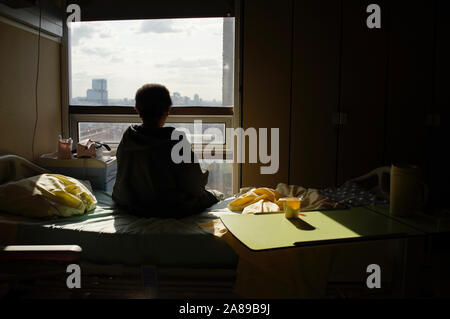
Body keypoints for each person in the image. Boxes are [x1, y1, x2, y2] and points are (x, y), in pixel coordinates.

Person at [112, 84, 219, 218]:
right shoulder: (176, 141)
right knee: (212, 196)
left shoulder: (128, 137)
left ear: (137, 109)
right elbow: (196, 187)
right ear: (167, 111)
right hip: (169, 208)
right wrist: (203, 174)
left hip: (130, 205)